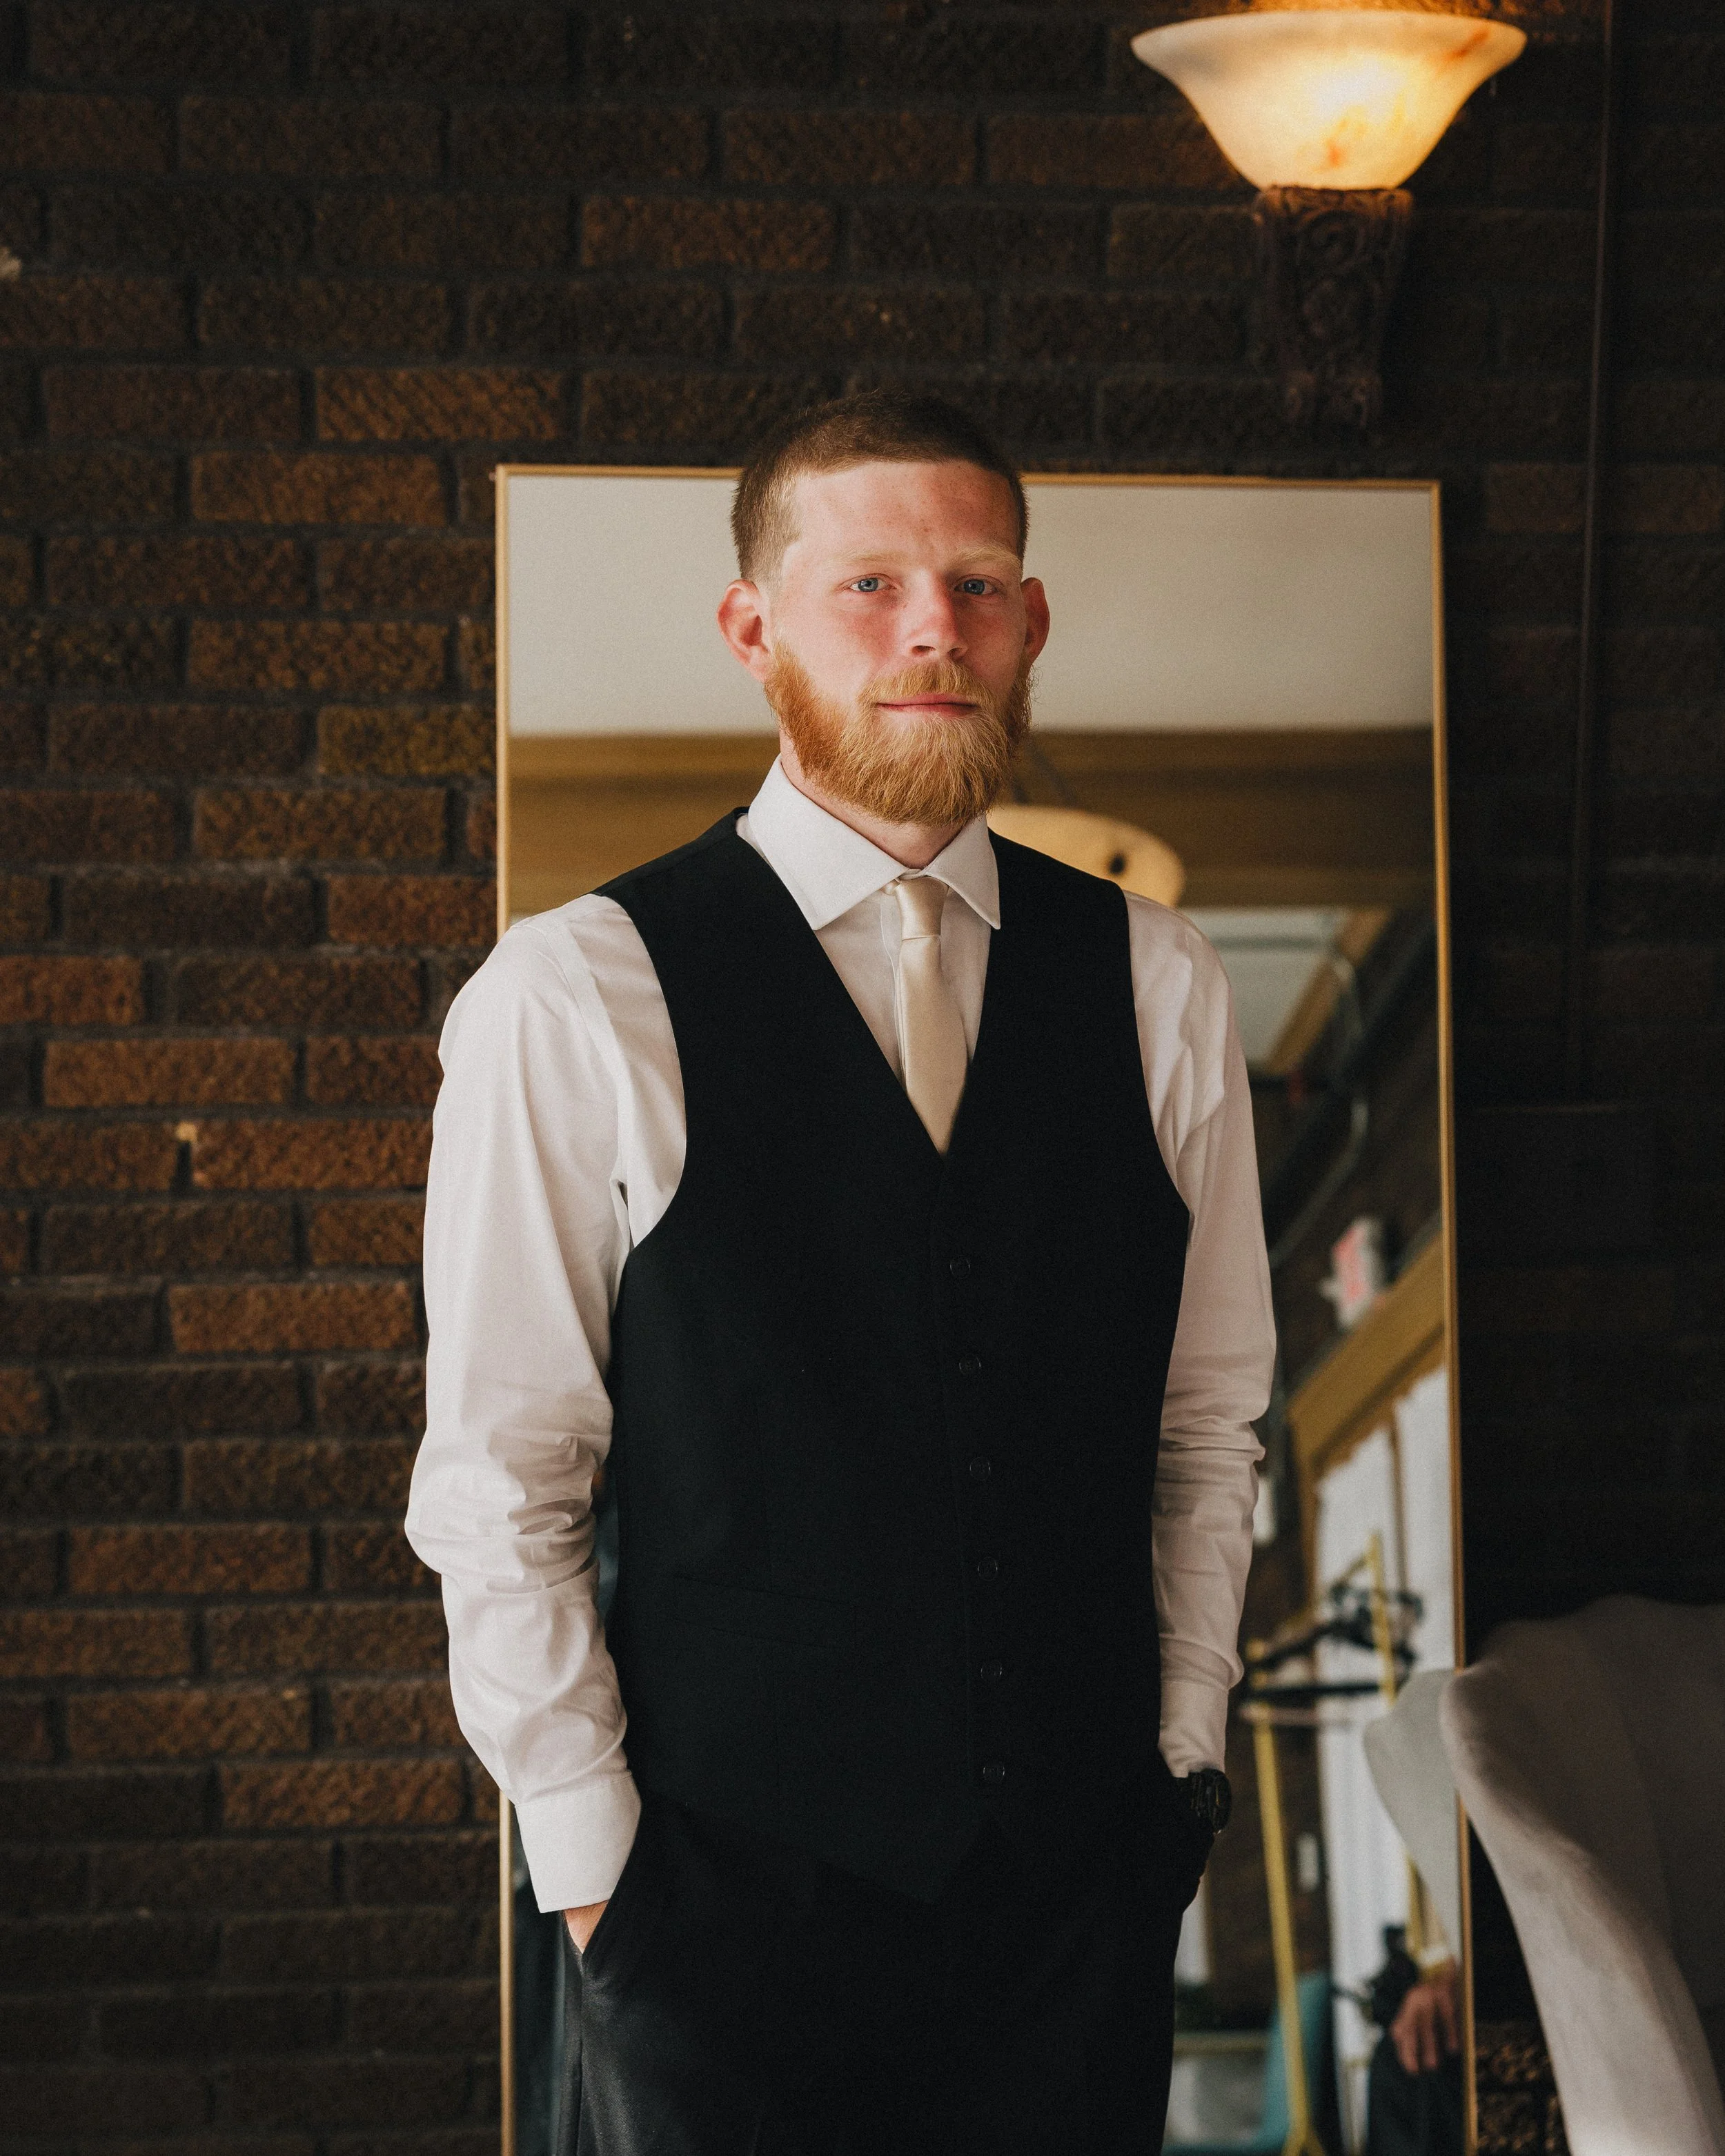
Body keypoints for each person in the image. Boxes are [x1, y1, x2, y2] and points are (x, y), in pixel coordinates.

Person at [406, 390, 1276, 2155]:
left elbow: (1204, 1423)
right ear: (752, 628)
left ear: (1030, 624)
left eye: (974, 583)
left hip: (1073, 1922)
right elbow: (502, 1479)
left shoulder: (1157, 980)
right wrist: (599, 1882)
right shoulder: (573, 995)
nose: (931, 628)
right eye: (867, 583)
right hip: (706, 1930)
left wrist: (1178, 1766)